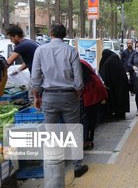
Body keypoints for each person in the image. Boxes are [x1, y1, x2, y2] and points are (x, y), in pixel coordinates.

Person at [31, 22, 88, 178]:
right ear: (64, 34)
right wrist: (78, 93)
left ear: (51, 33)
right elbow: (78, 78)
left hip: (49, 96)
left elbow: (35, 77)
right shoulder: (71, 51)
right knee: (74, 130)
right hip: (69, 95)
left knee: (51, 132)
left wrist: (37, 96)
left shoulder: (40, 51)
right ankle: (77, 166)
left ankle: (55, 166)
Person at [80, 60, 108, 150]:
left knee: (89, 119)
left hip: (91, 96)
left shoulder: (79, 66)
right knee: (91, 118)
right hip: (95, 95)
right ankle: (88, 139)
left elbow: (81, 82)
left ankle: (88, 140)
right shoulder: (82, 63)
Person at [99, 49, 130, 120]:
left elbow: (104, 74)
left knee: (115, 98)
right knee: (121, 99)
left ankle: (115, 113)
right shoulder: (115, 59)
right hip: (121, 84)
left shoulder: (108, 62)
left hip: (112, 85)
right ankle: (121, 114)